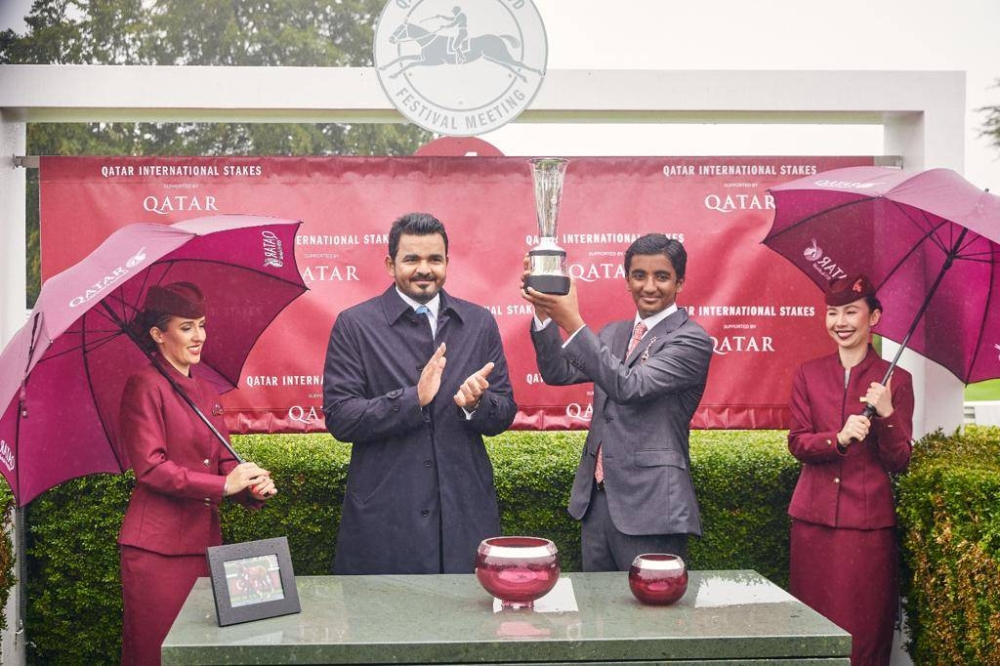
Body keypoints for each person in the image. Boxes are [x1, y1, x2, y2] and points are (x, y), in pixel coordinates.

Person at [323, 212, 517, 574]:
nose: (424, 269)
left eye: (434, 259)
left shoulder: (478, 323)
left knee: (468, 626)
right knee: (387, 625)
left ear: (447, 262)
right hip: (386, 517)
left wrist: (478, 404)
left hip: (465, 511)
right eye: (412, 259)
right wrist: (414, 399)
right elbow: (341, 417)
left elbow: (504, 410)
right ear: (390, 263)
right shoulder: (355, 325)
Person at [521, 233, 713, 571]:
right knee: (598, 618)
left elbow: (630, 387)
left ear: (680, 282)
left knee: (652, 620)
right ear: (627, 281)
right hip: (596, 505)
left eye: (662, 276)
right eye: (639, 276)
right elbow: (556, 372)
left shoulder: (691, 339)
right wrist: (545, 311)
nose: (649, 286)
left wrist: (574, 322)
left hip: (652, 508)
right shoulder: (613, 333)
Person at [118, 282, 277, 666]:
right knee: (157, 654)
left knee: (201, 655)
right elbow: (151, 468)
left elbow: (222, 461)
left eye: (202, 325)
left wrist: (250, 487)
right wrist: (225, 484)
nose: (199, 336)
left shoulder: (207, 392)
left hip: (204, 545)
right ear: (158, 334)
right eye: (187, 327)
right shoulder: (144, 384)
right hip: (157, 551)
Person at [787, 274, 914, 666]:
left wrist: (888, 414)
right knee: (811, 629)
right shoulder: (808, 374)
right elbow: (797, 443)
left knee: (865, 630)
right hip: (813, 523)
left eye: (851, 312)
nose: (840, 322)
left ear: (873, 317)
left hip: (868, 526)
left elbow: (900, 460)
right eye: (832, 313)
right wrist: (837, 439)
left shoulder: (897, 381)